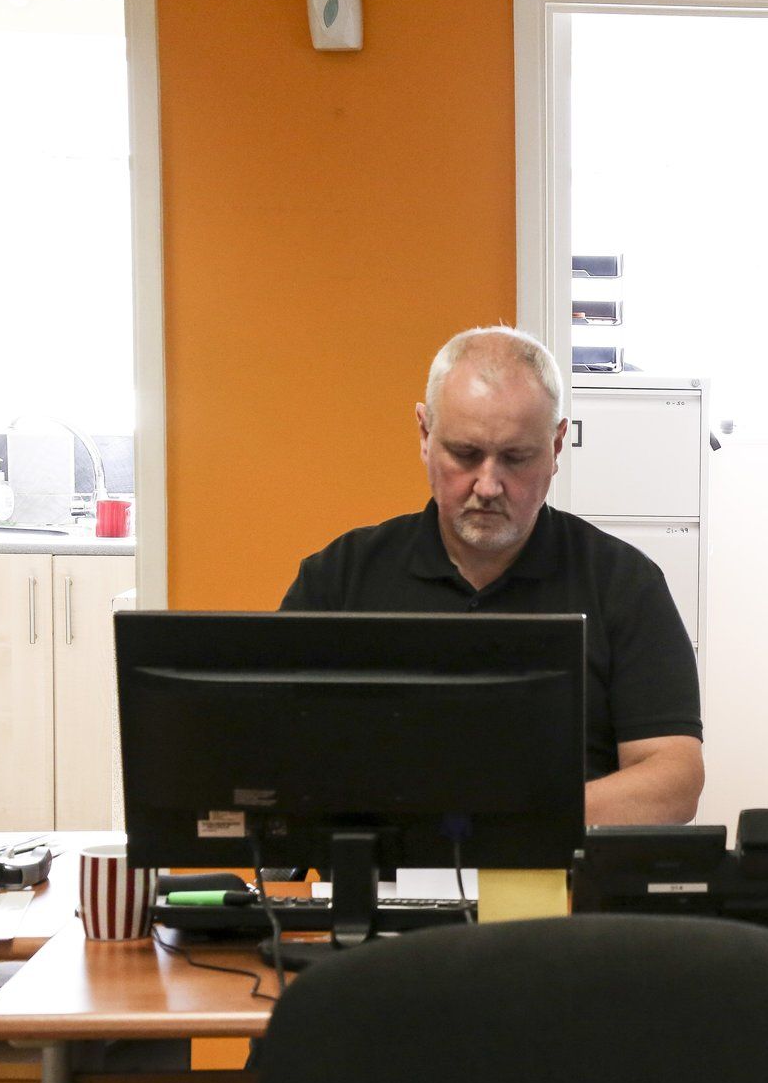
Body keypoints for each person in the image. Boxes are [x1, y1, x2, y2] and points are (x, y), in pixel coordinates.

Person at [282, 325, 703, 826]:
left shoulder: (623, 584)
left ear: (557, 444)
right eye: (464, 454)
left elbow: (675, 780)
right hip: (377, 889)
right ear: (424, 434)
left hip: (563, 887)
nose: (488, 484)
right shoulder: (339, 579)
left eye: (516, 458)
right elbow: (275, 759)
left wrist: (507, 820)